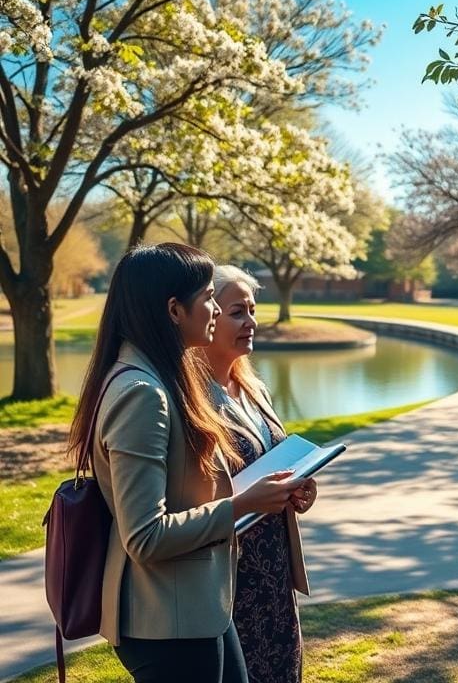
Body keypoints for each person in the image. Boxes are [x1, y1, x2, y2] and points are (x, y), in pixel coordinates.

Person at [67, 243, 305, 683]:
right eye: (208, 298)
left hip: (199, 607)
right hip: (165, 621)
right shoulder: (142, 392)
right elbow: (146, 537)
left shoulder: (166, 377)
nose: (215, 307)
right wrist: (243, 503)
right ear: (175, 310)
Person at [203, 265, 315, 683]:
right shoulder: (186, 400)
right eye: (237, 312)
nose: (251, 321)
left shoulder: (254, 388)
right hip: (228, 577)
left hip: (274, 572)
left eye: (252, 310)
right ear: (206, 315)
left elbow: (271, 461)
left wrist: (299, 488)